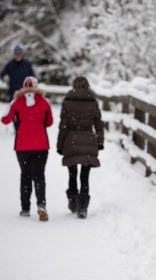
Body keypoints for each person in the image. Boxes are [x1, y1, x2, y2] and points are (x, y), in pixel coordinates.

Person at [1, 77, 53, 221]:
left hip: (22, 145)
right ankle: (41, 204)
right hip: (41, 145)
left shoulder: (17, 102)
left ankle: (25, 208)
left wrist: (13, 106)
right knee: (39, 176)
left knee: (25, 176)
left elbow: (5, 119)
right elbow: (49, 122)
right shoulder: (44, 102)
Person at [57, 76, 104, 219]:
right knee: (85, 175)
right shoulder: (93, 102)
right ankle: (83, 206)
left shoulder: (67, 102)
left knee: (72, 173)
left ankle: (73, 201)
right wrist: (100, 142)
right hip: (88, 139)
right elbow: (99, 125)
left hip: (71, 140)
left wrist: (60, 144)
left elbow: (63, 127)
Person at [0, 45, 35, 131]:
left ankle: (24, 127)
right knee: (14, 110)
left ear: (22, 54)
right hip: (13, 91)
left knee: (25, 110)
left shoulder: (27, 64)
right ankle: (17, 128)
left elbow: (32, 76)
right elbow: (2, 74)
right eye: (16, 53)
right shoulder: (10, 64)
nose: (18, 55)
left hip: (25, 92)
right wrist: (5, 77)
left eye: (19, 53)